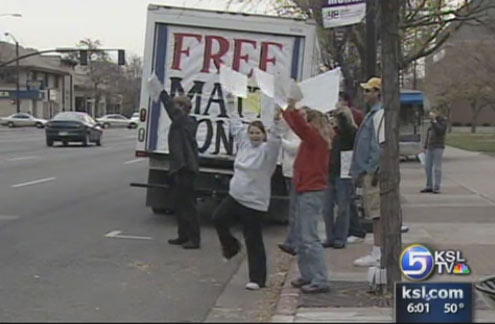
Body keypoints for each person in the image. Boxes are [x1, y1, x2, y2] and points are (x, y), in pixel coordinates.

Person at [212, 104, 282, 291]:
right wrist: (229, 99)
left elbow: (276, 138)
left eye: (258, 133)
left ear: (263, 135)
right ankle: (231, 247)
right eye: (251, 132)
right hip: (235, 196)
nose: (254, 136)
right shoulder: (244, 144)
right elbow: (235, 124)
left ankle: (257, 279)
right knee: (218, 218)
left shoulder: (268, 152)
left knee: (253, 239)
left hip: (254, 202)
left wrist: (277, 120)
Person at [281, 101, 333, 294]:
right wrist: (287, 112)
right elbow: (299, 127)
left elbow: (300, 127)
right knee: (303, 237)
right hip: (306, 188)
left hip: (310, 190)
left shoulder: (315, 139)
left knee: (309, 238)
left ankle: (320, 278)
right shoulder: (315, 140)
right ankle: (308, 275)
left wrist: (289, 109)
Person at [159, 90, 201, 249]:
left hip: (187, 168)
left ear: (183, 107)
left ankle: (194, 239)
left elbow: (171, 108)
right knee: (179, 204)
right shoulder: (180, 122)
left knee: (189, 205)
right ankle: (183, 235)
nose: (173, 109)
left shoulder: (186, 121)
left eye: (177, 104)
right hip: (179, 167)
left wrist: (162, 93)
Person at [350, 77, 385, 267]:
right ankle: (378, 249)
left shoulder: (379, 114)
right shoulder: (372, 114)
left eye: (368, 91)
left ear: (377, 92)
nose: (365, 94)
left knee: (376, 212)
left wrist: (372, 170)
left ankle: (378, 251)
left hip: (373, 173)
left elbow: (378, 146)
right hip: (369, 170)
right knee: (374, 212)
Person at [322, 102, 358, 249]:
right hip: (330, 171)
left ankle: (340, 237)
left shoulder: (350, 131)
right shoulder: (332, 132)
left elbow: (349, 131)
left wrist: (343, 116)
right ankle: (330, 236)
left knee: (343, 207)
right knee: (327, 207)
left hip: (343, 172)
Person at [338, 92, 366, 244]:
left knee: (348, 198)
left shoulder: (353, 115)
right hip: (338, 160)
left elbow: (355, 134)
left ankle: (355, 229)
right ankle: (350, 227)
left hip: (347, 159)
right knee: (344, 199)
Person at [277, 117, 302, 256]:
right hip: (287, 172)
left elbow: (294, 148)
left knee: (295, 210)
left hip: (294, 173)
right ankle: (290, 240)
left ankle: (294, 242)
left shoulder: (298, 133)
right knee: (292, 209)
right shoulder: (288, 131)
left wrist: (280, 140)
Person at [420, 110, 447, 194]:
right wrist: (425, 146)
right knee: (427, 166)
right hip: (429, 147)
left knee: (437, 167)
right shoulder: (431, 123)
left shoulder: (442, 121)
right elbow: (428, 135)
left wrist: (435, 121)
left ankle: (437, 186)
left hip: (438, 147)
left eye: (434, 112)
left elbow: (441, 131)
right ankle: (429, 186)